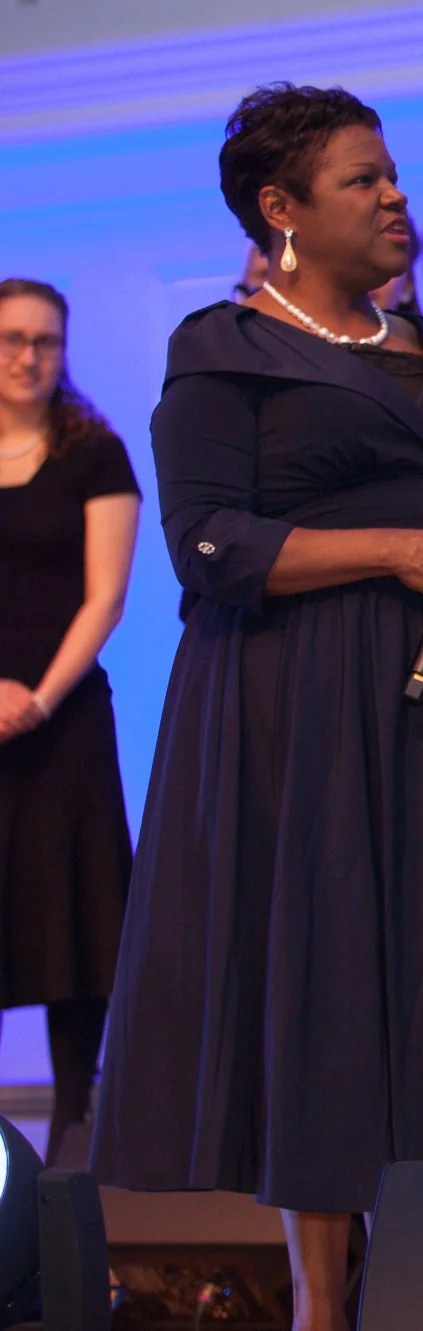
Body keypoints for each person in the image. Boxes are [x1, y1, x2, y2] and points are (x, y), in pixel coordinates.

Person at [92, 85, 423, 1331]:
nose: (395, 196)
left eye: (394, 173)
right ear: (280, 210)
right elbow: (211, 546)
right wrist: (399, 551)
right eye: (362, 178)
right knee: (323, 985)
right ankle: (327, 1307)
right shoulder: (219, 348)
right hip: (300, 709)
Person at [0, 280, 140, 1168]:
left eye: (45, 341)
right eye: (12, 339)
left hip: (66, 717)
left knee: (72, 919)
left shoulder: (97, 452)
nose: (28, 355)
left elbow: (107, 595)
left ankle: (75, 1128)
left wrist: (38, 697)